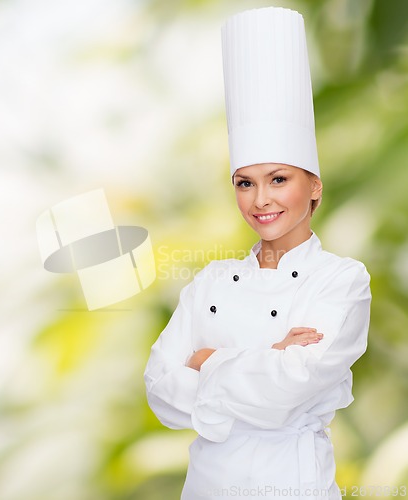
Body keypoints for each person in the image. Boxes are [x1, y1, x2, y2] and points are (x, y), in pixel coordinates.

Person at [144, 6, 372, 500]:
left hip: (290, 483)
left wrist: (205, 361)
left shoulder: (341, 280)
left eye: (279, 179)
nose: (260, 200)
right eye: (245, 183)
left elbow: (293, 387)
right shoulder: (209, 281)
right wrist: (267, 356)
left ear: (313, 186)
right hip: (208, 486)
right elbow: (161, 391)